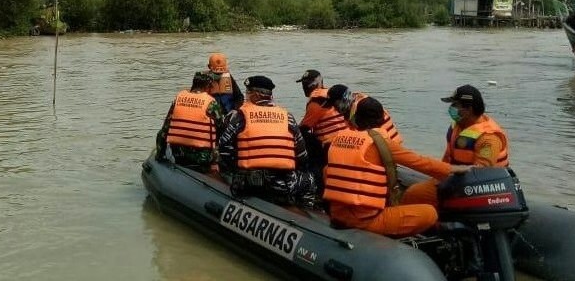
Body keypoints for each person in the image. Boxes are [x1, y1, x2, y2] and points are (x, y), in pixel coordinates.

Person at [323, 97, 470, 237]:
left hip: (338, 215)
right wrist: (454, 169)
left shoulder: (338, 139)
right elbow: (420, 162)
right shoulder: (379, 143)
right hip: (366, 221)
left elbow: (328, 173)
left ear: (356, 119)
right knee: (430, 213)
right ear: (381, 120)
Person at [401, 84, 510, 208]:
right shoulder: (458, 125)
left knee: (413, 194)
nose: (451, 108)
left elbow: (481, 172)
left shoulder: (488, 137)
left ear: (468, 109)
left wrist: (448, 183)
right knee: (415, 192)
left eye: (455, 105)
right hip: (455, 178)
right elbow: (448, 157)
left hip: (477, 186)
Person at [217, 75, 317, 206]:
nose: (246, 96)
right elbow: (302, 155)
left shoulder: (240, 116)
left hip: (247, 183)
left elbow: (224, 148)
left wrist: (238, 168)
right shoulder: (287, 117)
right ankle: (304, 211)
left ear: (256, 95)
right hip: (281, 184)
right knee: (309, 180)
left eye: (248, 92)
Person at [155, 71, 226, 172]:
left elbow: (164, 130)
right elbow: (222, 129)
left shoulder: (178, 99)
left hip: (179, 155)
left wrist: (159, 156)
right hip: (203, 158)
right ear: (207, 87)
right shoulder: (211, 103)